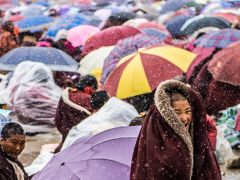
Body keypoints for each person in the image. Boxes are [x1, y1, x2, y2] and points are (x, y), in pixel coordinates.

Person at [130, 80, 221, 180]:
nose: (184, 118)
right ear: (167, 114)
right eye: (177, 113)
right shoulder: (156, 143)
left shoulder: (198, 138)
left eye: (188, 111)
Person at [54, 75, 98, 153]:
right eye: (94, 89)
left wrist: (65, 132)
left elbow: (57, 118)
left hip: (66, 137)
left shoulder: (65, 95)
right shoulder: (87, 99)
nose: (94, 92)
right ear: (88, 88)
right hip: (82, 140)